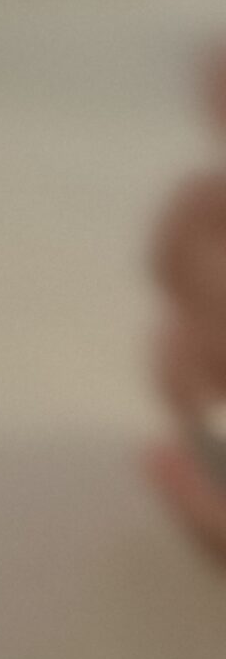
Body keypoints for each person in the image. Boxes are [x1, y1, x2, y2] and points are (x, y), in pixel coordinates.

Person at [147, 50, 226, 559]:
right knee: (177, 343)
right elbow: (167, 271)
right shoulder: (200, 201)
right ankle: (209, 480)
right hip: (212, 384)